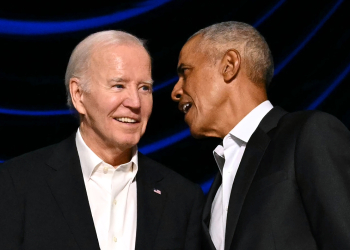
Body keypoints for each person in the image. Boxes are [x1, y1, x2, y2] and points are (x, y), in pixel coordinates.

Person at [0, 30, 204, 250]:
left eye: (144, 88)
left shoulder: (183, 199)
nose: (135, 102)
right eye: (119, 86)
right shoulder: (16, 184)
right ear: (79, 95)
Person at [171, 21, 350, 250]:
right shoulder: (212, 194)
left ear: (229, 65)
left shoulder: (308, 133)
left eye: (185, 73)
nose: (175, 91)